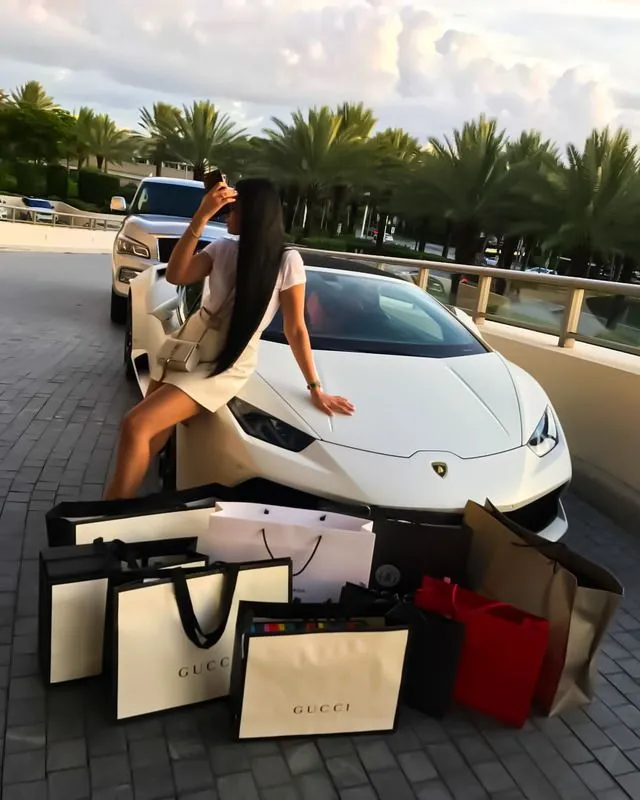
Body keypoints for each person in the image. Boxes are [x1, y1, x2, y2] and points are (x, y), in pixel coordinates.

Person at [104, 177, 354, 500]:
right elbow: (177, 275)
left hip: (228, 358)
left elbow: (295, 328)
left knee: (135, 424)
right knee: (152, 431)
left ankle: (106, 512)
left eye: (234, 209)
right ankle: (118, 507)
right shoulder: (222, 248)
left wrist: (315, 387)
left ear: (253, 213)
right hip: (190, 344)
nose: (227, 215)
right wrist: (201, 216)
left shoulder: (286, 261)